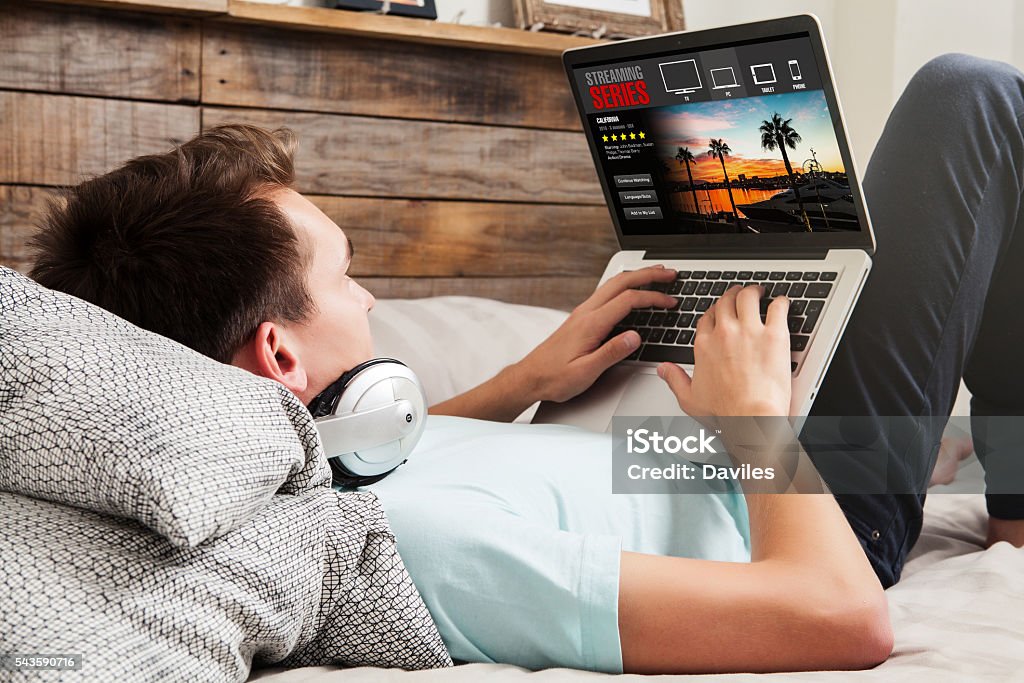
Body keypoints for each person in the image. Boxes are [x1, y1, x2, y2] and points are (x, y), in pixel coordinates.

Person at [25, 53, 1024, 674]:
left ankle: (1000, 473)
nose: (371, 301)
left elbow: (381, 459)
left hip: (686, 441)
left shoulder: (307, 466)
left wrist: (527, 380)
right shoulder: (422, 543)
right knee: (968, 100)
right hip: (805, 505)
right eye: (348, 276)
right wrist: (754, 424)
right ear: (279, 351)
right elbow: (839, 617)